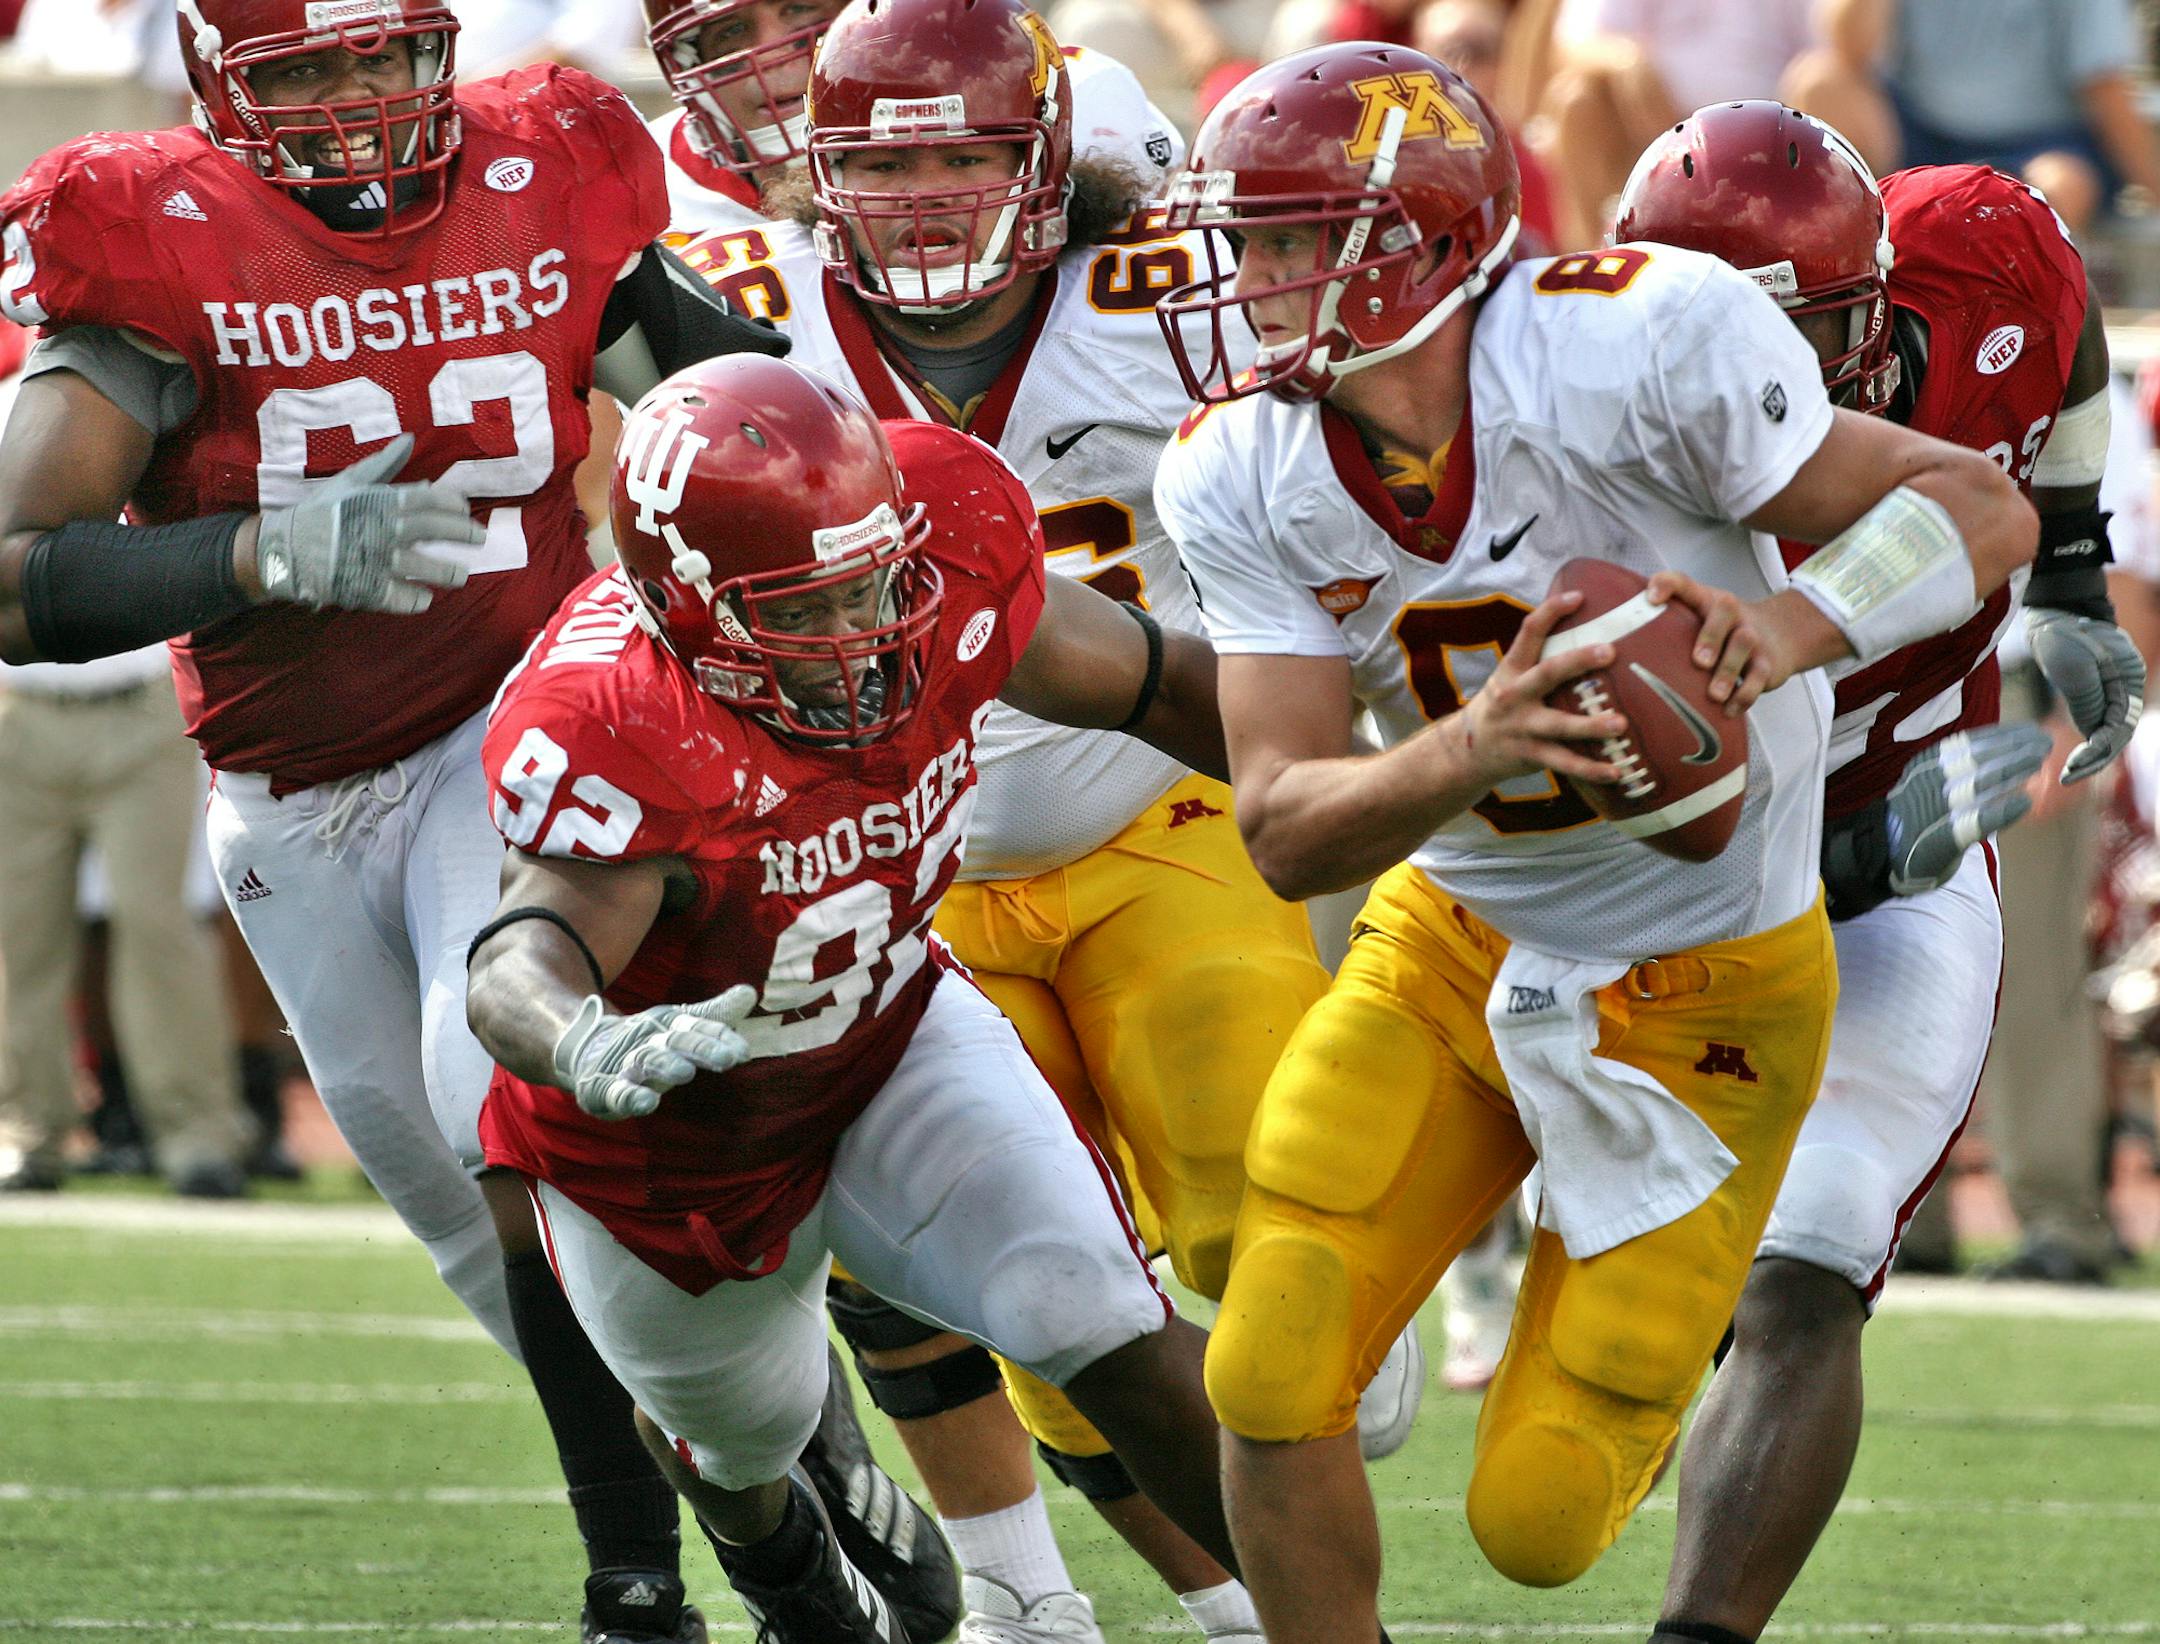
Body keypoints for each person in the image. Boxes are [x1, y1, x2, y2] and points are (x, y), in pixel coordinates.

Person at [1148, 44, 2039, 1643]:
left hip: (1712, 985)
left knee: (1542, 1519)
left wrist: (1790, 622)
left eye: (1292, 238)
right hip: (1455, 938)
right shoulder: (1240, 462)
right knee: (1266, 1362)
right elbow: (1280, 832)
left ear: (1420, 237)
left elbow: (1980, 506)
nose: (1252, 279)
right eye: (1247, 239)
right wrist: (1472, 746)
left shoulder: (1634, 339)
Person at [0, 2, 791, 1637]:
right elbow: (13, 580)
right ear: (219, 90)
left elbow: (755, 418)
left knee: (500, 1106)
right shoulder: (154, 238)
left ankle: (643, 1580)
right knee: (447, 1204)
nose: (359, 104)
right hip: (282, 788)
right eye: (305, 73)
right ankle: (786, 1479)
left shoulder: (543, 165)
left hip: (508, 714)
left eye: (383, 57)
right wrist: (253, 554)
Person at [674, 4, 1391, 1638]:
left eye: (963, 163)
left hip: (1161, 813)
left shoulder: (1163, 288)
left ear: (1047, 164)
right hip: (903, 869)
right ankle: (1173, 1601)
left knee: (1243, 1187)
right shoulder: (747, 320)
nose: (922, 203)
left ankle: (1316, 1372)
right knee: (1042, 1288)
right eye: (883, 169)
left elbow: (1334, 455)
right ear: (821, 178)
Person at [466, 351, 1250, 1644]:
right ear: (691, 607)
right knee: (744, 1439)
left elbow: (1161, 683)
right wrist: (585, 1039)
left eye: (877, 579)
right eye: (809, 607)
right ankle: (776, 1556)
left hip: (887, 1035)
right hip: (669, 1154)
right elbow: (521, 955)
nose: (867, 630)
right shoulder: (613, 715)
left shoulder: (945, 545)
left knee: (1097, 1312)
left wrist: (1383, 783)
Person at [1611, 99, 2141, 1643]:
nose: (1749, 378)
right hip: (1658, 898)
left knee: (1811, 1269)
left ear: (1877, 290)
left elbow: (2068, 335)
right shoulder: (1596, 447)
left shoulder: (1979, 250)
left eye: (1793, 328)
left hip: (1902, 882)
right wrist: (1843, 838)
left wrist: (2072, 561)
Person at [639, 0, 1182, 243]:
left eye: (799, 8)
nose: (772, 54)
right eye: (730, 32)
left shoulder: (1062, 92)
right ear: (686, 59)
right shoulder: (648, 178)